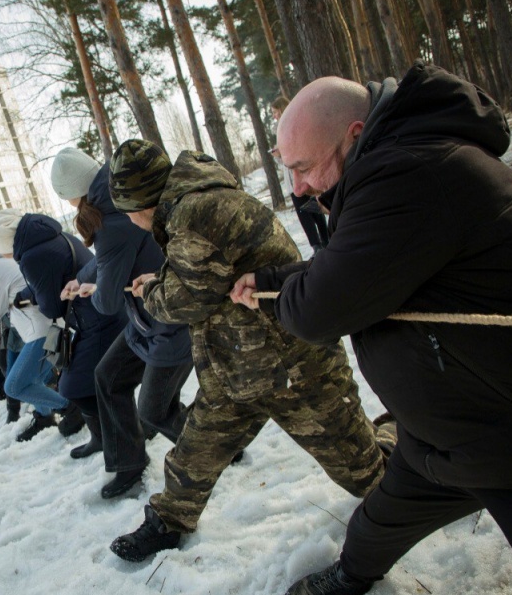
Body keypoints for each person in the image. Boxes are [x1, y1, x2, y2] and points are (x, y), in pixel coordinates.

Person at [230, 64, 512, 595]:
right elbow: (353, 263)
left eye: (303, 167)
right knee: (380, 519)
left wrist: (287, 296)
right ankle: (354, 571)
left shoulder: (412, 172)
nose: (296, 188)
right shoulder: (387, 166)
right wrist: (267, 282)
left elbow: (322, 308)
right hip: (450, 430)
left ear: (356, 131)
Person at [104, 139, 389, 565]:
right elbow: (204, 276)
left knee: (365, 472)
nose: (128, 219)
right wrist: (163, 281)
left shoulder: (194, 213)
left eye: (127, 209)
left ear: (142, 202)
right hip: (236, 365)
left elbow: (183, 301)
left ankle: (400, 440)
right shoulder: (189, 205)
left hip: (292, 366)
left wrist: (151, 291)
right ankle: (169, 521)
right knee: (193, 454)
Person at [51, 147, 193, 497]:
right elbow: (107, 259)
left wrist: (93, 289)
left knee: (155, 411)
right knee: (108, 376)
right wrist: (85, 277)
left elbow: (108, 301)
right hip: (147, 317)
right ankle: (129, 463)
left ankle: (218, 444)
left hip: (169, 319)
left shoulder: (110, 220)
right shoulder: (112, 199)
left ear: (72, 195)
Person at [9, 210, 127, 440]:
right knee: (92, 382)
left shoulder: (32, 256)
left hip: (96, 319)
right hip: (101, 314)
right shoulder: (57, 236)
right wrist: (27, 293)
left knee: (74, 387)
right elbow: (53, 277)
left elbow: (51, 307)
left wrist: (35, 297)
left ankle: (117, 436)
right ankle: (106, 436)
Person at [0, 214, 69, 442]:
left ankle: (69, 407)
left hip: (38, 332)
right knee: (31, 380)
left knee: (14, 385)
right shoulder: (16, 259)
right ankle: (44, 415)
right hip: (45, 327)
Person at [271, 94, 329, 253]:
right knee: (311, 211)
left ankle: (320, 245)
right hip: (298, 178)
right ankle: (322, 243)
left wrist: (281, 155)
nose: (274, 116)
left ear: (282, 110)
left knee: (311, 212)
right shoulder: (283, 128)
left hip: (303, 176)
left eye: (275, 112)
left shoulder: (291, 126)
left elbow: (295, 153)